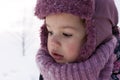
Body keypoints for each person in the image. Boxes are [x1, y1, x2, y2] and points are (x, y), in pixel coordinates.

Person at [34, 0, 120, 80]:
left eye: (66, 34)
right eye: (50, 32)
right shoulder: (48, 67)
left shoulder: (115, 71)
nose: (53, 43)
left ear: (96, 38)